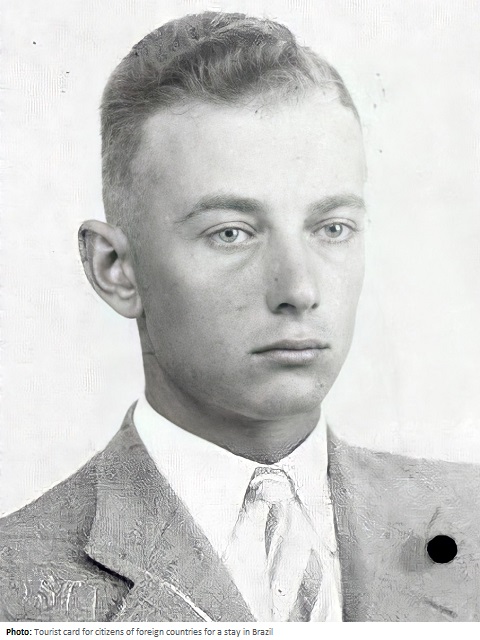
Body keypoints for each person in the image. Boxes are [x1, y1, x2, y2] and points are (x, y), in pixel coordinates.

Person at [2, 11, 480, 623]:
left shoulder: (466, 521)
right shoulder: (15, 579)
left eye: (332, 228)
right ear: (116, 268)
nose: (299, 289)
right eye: (231, 233)